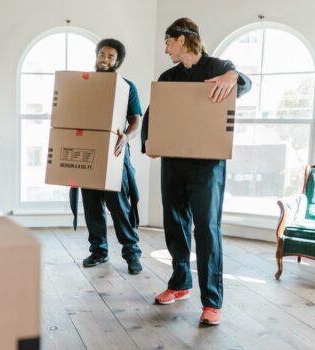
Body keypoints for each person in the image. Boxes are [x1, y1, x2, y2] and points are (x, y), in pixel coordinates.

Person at [141, 18, 252, 326]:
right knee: (174, 224)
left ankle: (212, 302)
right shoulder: (168, 76)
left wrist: (233, 75)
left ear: (181, 39)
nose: (165, 49)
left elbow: (246, 83)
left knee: (206, 229)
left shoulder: (219, 67)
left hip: (207, 165)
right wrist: (148, 141)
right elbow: (154, 113)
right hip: (174, 162)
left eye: (167, 42)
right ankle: (179, 284)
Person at [69, 38, 143, 275]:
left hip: (114, 153)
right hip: (87, 152)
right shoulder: (84, 83)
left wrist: (126, 138)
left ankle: (132, 253)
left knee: (119, 207)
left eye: (111, 56)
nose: (105, 59)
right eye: (102, 54)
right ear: (96, 55)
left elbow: (136, 121)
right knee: (92, 207)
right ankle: (98, 251)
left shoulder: (126, 86)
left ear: (117, 61)